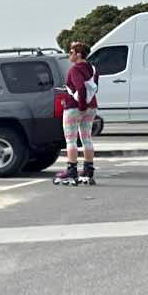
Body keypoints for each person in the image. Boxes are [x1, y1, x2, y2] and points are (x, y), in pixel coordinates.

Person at [55, 41, 98, 186]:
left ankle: (71, 170)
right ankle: (88, 170)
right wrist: (86, 105)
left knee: (71, 140)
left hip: (75, 108)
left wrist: (81, 106)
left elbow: (80, 88)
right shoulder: (92, 68)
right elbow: (94, 88)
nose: (69, 55)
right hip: (92, 107)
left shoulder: (75, 69)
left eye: (71, 52)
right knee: (87, 138)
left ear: (78, 54)